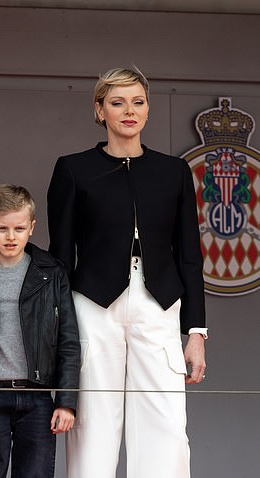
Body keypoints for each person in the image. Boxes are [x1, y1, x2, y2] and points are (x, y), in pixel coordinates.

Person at [47, 67, 208, 478]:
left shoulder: (173, 171)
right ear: (100, 110)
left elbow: (190, 253)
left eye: (137, 102)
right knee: (93, 421)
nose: (129, 111)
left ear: (148, 109)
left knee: (166, 423)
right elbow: (61, 255)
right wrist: (59, 325)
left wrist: (196, 332)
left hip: (160, 301)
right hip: (92, 303)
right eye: (117, 102)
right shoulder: (73, 169)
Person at [0, 184, 80, 478]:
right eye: (2, 228)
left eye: (19, 228)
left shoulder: (52, 272)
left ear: (32, 227)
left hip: (37, 398)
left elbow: (68, 341)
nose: (11, 237)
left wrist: (66, 402)